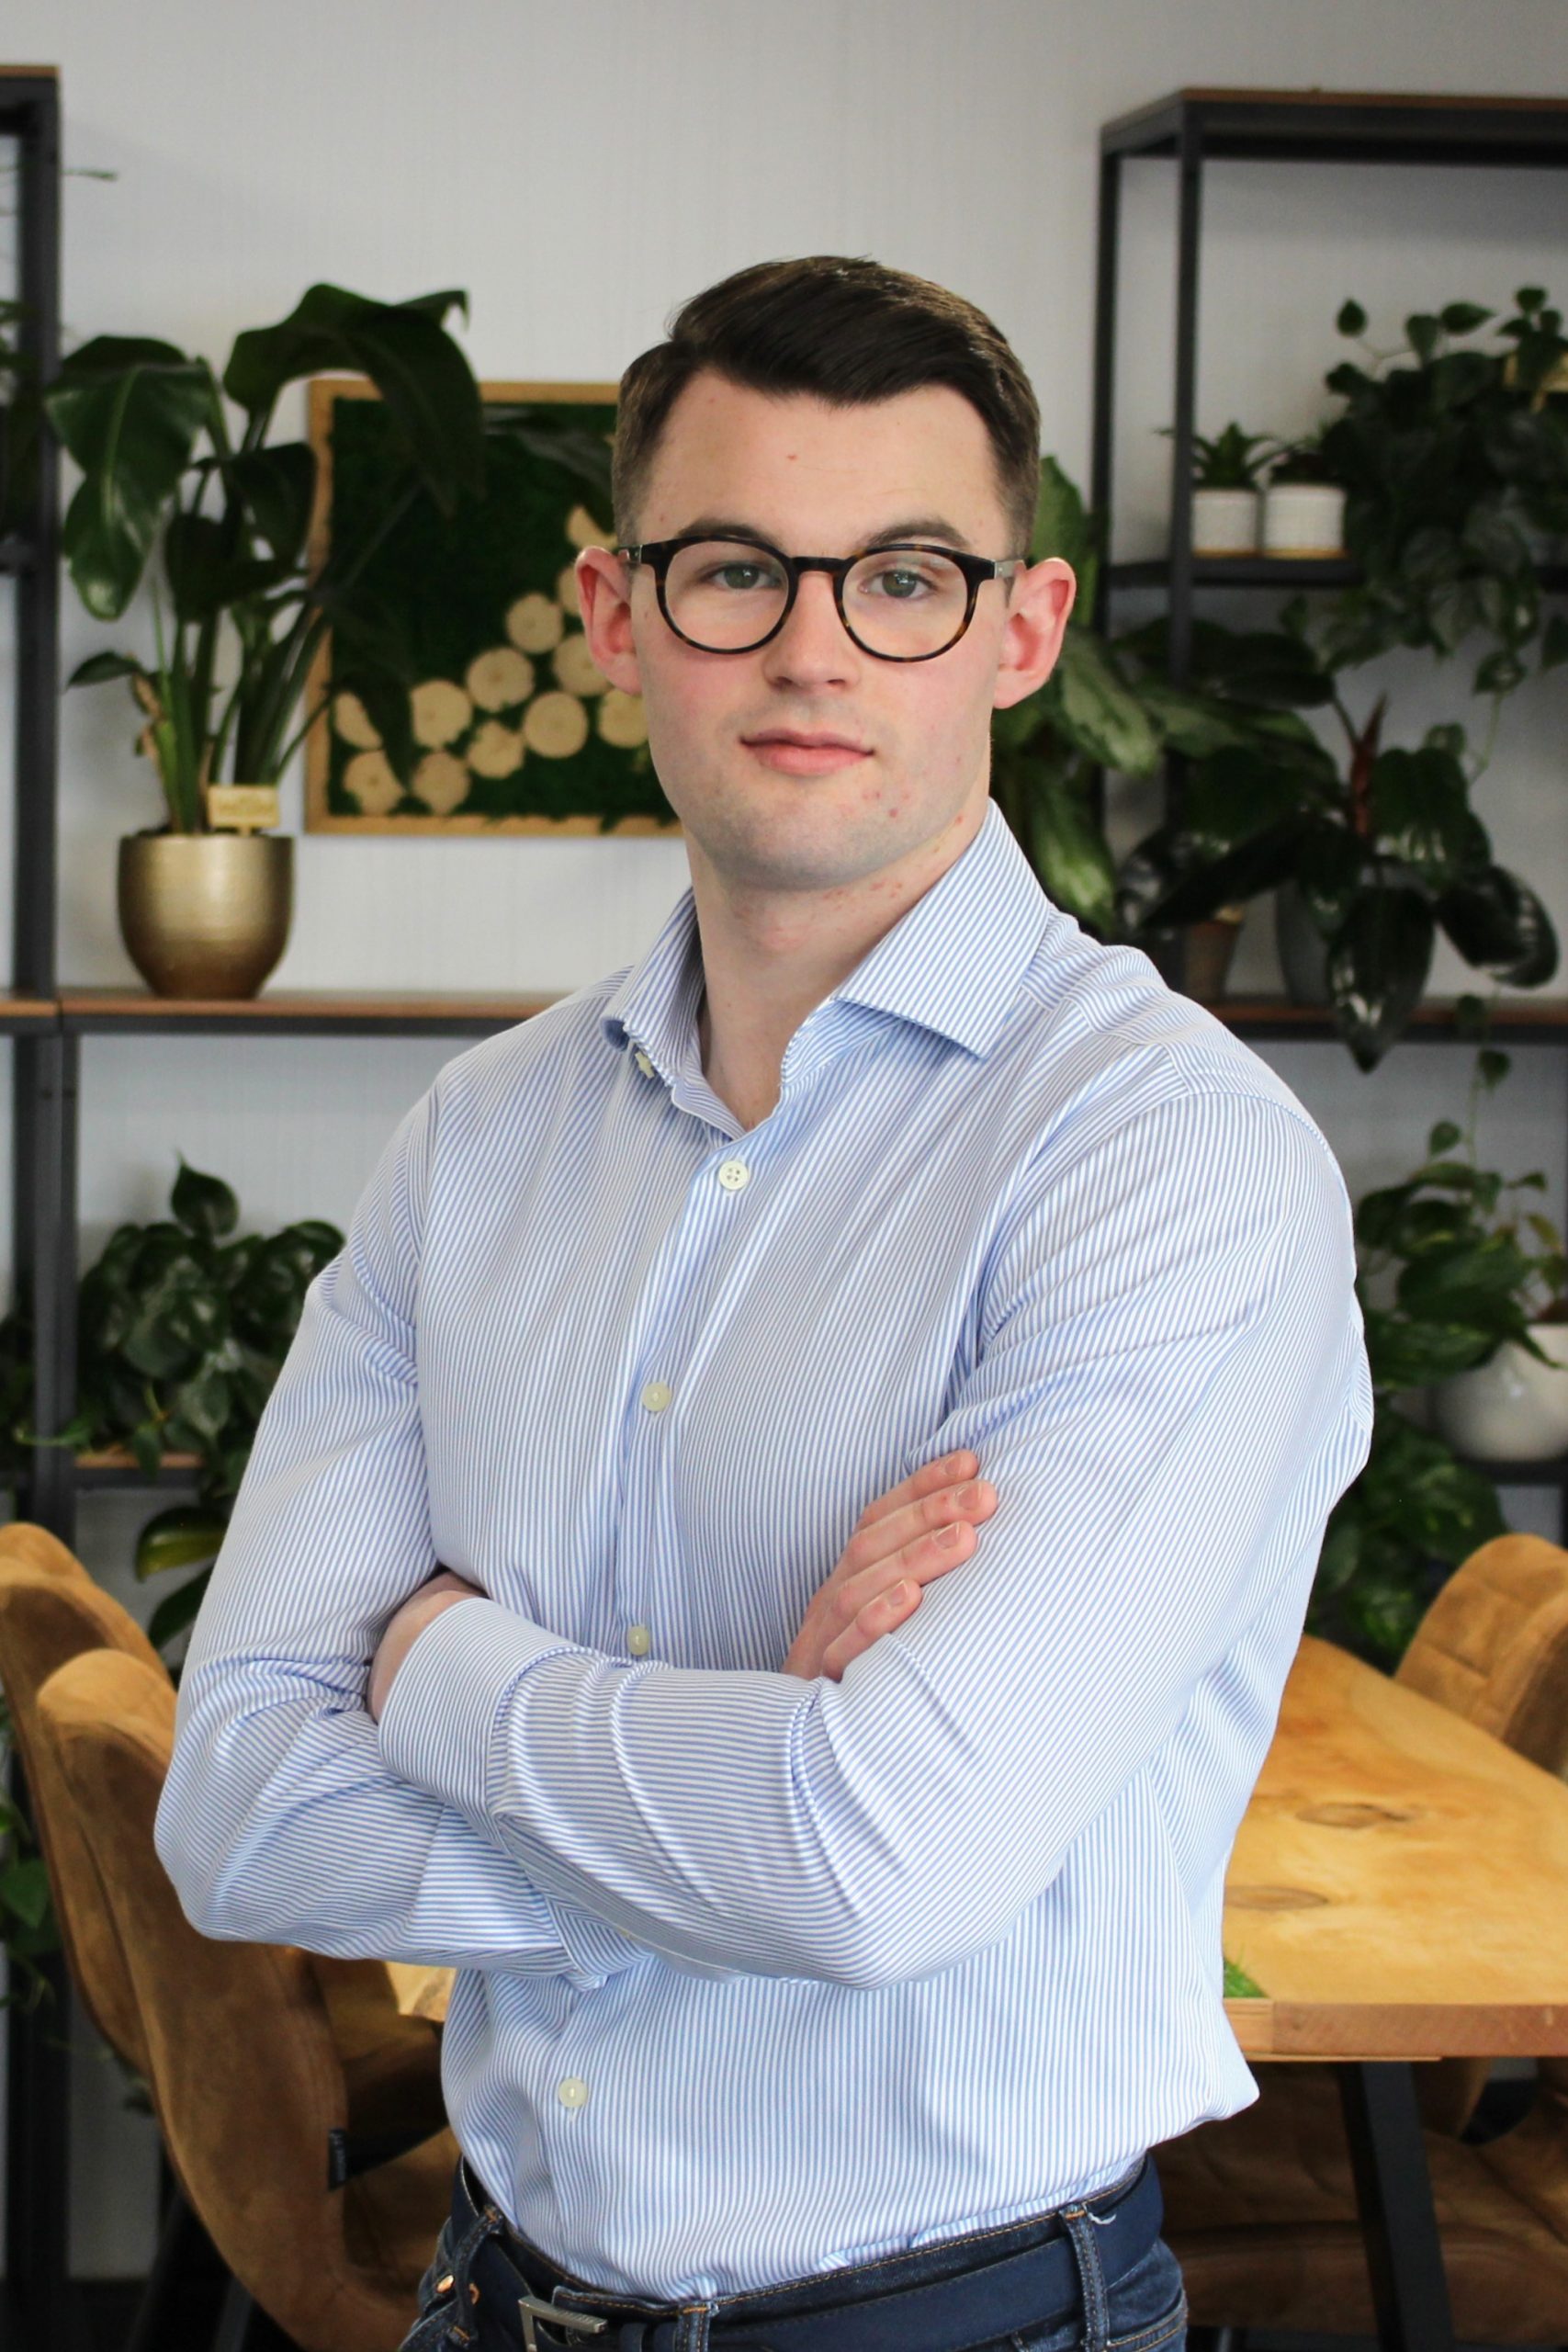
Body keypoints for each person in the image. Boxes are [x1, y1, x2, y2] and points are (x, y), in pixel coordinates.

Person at [155, 254, 1372, 2352]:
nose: (813, 647)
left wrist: (440, 1665)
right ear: (618, 611)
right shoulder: (479, 1139)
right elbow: (241, 1805)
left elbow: (881, 1867)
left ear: (1020, 629)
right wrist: (754, 1779)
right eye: (733, 569)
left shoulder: (1163, 1154)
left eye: (902, 577)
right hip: (493, 2299)